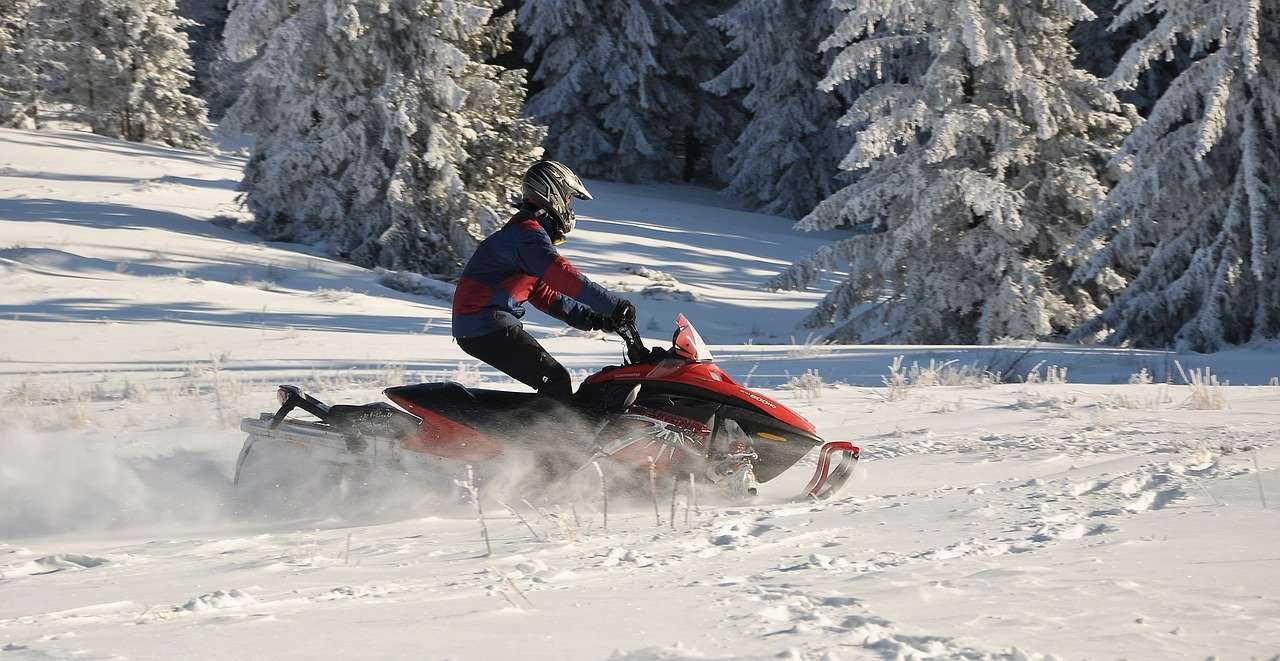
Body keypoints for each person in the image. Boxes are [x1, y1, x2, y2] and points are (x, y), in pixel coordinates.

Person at [451, 160, 636, 402]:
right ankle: (535, 439)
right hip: (484, 323)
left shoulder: (524, 235)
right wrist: (613, 305)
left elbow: (545, 294)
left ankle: (531, 433)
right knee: (556, 381)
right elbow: (562, 275)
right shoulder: (527, 235)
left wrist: (594, 318)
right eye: (569, 198)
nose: (570, 206)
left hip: (482, 324)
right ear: (553, 193)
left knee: (554, 382)